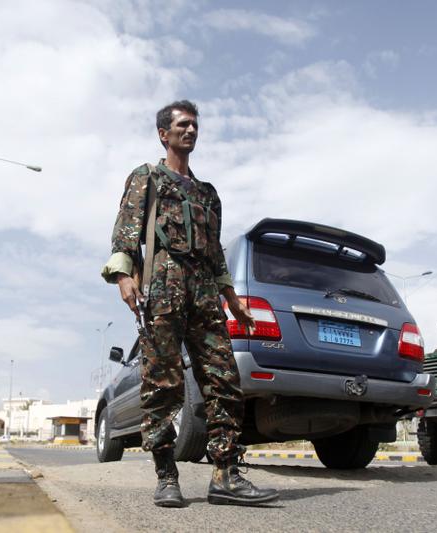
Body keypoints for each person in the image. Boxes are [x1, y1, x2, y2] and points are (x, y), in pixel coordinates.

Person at [101, 100, 279, 508]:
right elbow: (125, 230)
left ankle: (226, 475)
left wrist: (233, 299)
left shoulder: (207, 194)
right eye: (183, 125)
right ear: (164, 134)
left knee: (224, 381)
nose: (191, 130)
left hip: (205, 294)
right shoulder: (146, 177)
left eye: (195, 125)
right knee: (163, 384)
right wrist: (125, 275)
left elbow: (215, 252)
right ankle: (166, 475)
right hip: (162, 287)